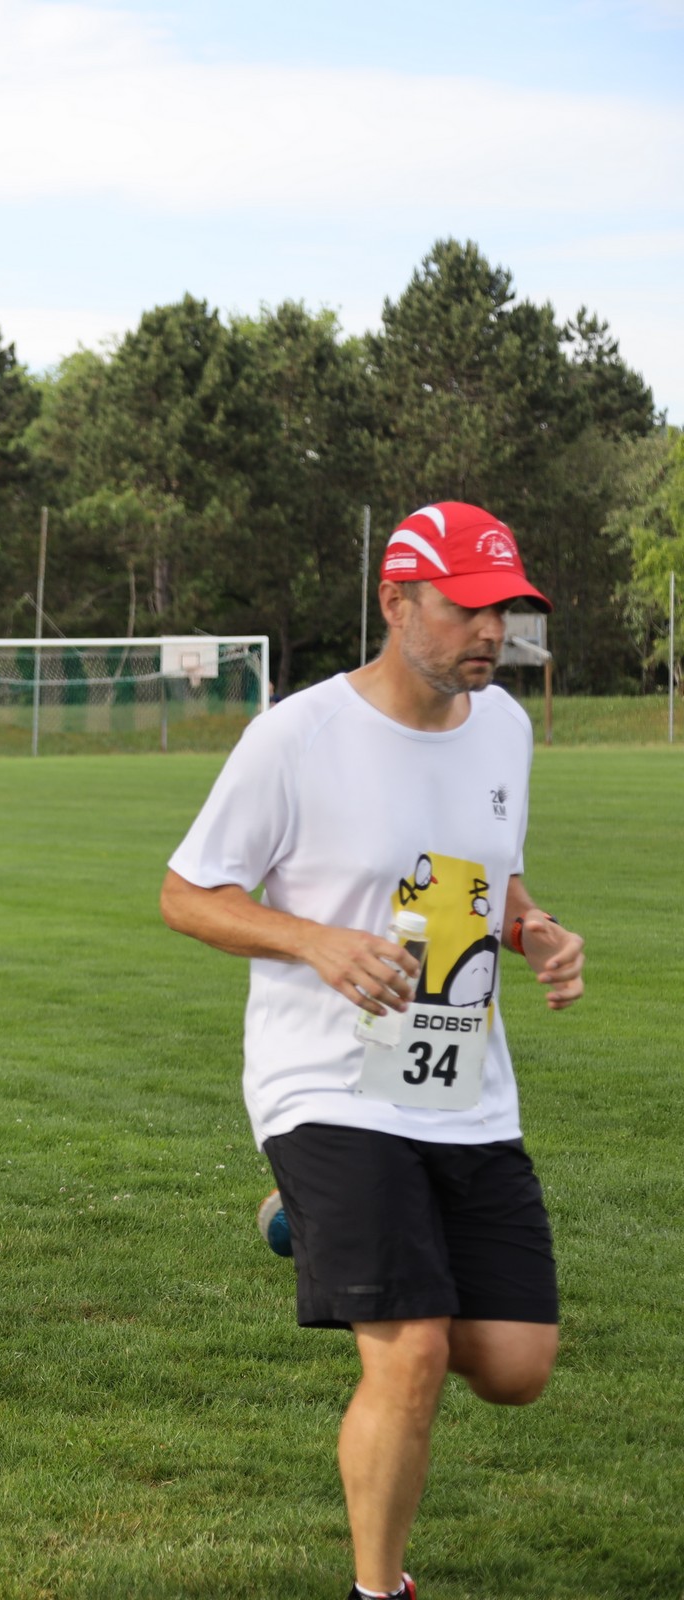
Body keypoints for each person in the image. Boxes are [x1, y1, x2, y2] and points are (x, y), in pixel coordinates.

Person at [160, 502, 587, 1600]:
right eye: (465, 607)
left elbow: (489, 877)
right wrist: (316, 941)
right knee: (414, 1350)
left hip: (458, 1077)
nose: (491, 631)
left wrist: (534, 929)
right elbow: (187, 893)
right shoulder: (297, 736)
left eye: (505, 609)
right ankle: (378, 1589)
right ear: (395, 601)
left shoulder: (506, 728)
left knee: (516, 1366)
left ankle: (302, 1220)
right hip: (327, 1083)